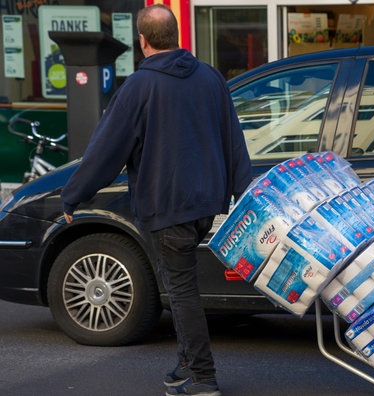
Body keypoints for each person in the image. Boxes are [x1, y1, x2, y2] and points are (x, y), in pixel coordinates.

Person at [60, 4, 251, 396]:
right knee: (177, 283)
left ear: (142, 41)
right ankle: (186, 363)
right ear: (176, 36)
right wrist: (241, 192)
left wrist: (72, 197)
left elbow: (105, 151)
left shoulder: (138, 87)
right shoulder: (210, 78)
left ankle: (202, 376)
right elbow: (234, 139)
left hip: (167, 205)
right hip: (206, 203)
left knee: (181, 291)